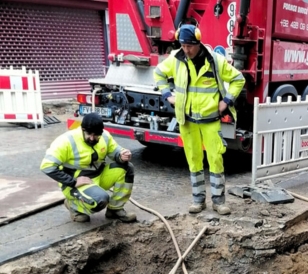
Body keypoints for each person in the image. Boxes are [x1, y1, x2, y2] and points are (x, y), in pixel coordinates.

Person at [153, 24, 245, 215]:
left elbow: (238, 79)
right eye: (183, 45)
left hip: (210, 120)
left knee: (215, 159)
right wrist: (167, 95)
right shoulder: (176, 58)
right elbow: (159, 73)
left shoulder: (215, 61)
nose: (186, 50)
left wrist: (226, 101)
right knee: (193, 160)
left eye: (190, 46)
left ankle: (219, 202)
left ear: (198, 43)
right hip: (187, 121)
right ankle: (198, 200)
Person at [40, 113, 137, 223]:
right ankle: (74, 206)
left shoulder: (104, 136)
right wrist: (72, 182)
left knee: (127, 168)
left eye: (96, 135)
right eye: (89, 134)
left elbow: (115, 151)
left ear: (101, 131)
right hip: (77, 183)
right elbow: (46, 166)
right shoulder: (66, 141)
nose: (92, 138)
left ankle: (115, 209)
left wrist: (122, 155)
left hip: (98, 176)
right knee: (101, 200)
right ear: (82, 129)